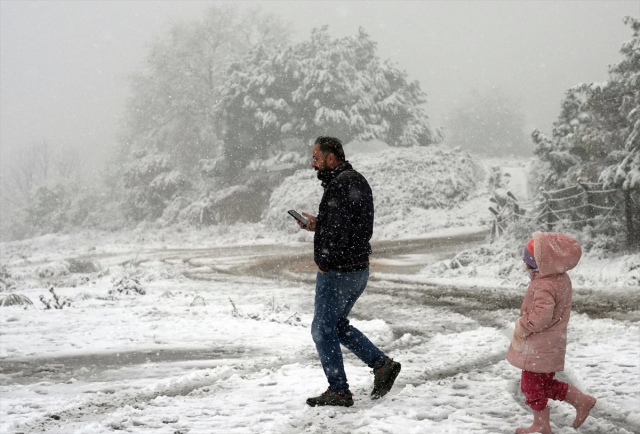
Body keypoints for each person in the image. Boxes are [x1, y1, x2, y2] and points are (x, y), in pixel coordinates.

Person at [295, 136, 401, 407]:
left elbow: (343, 232)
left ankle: (339, 391)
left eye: (317, 158)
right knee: (336, 325)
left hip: (339, 272)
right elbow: (348, 227)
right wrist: (318, 225)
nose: (313, 164)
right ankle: (382, 365)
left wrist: (326, 262)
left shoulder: (343, 184)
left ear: (332, 158)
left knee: (321, 329)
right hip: (355, 269)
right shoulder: (350, 181)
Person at [507, 232, 597, 434]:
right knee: (543, 384)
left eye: (529, 264)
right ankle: (580, 401)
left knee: (531, 387)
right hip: (550, 344)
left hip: (539, 345)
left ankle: (542, 424)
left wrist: (523, 323)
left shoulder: (544, 284)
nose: (527, 268)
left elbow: (542, 316)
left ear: (540, 263)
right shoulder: (560, 278)